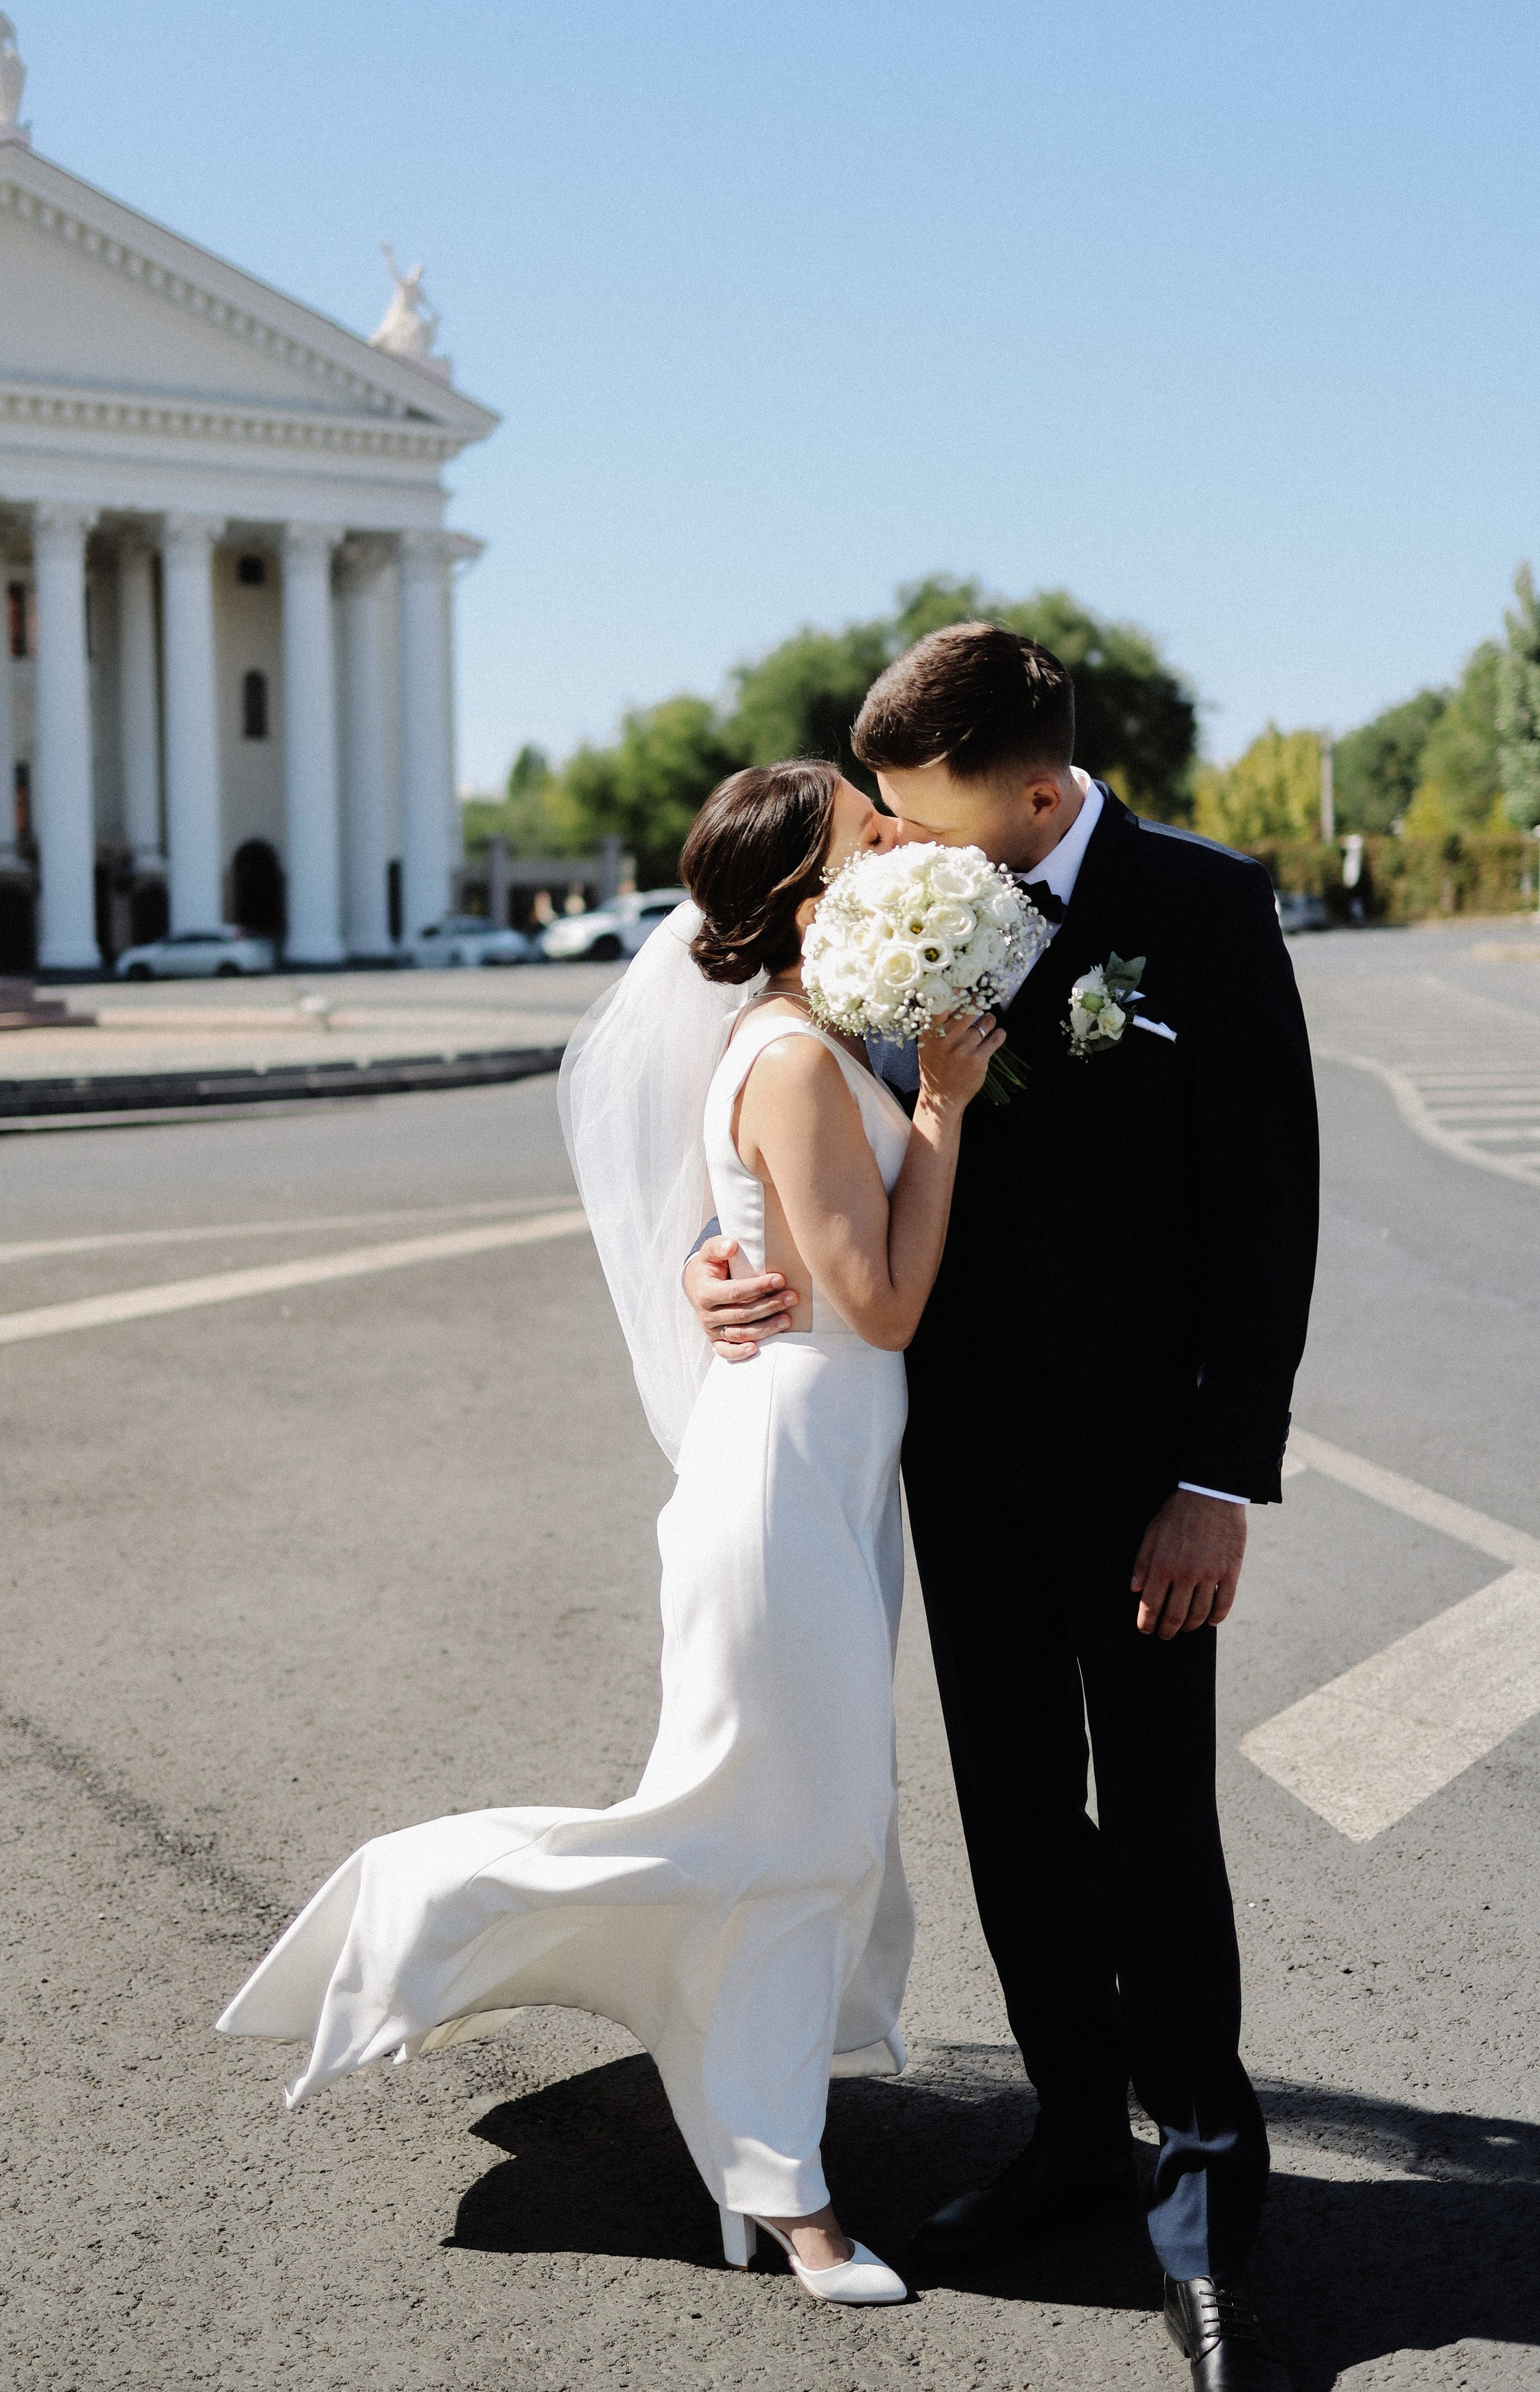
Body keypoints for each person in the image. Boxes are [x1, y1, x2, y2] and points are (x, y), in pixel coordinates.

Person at [217, 758, 1005, 2307]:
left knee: (786, 1822)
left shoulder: (807, 1035)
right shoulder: (787, 1058)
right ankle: (781, 2193)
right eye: (870, 834)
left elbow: (795, 1244)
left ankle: (747, 2136)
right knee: (798, 1830)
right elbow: (886, 1303)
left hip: (822, 1475)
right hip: (779, 1482)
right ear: (802, 895)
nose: (899, 844)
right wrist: (941, 1109)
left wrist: (866, 1127)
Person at [686, 626, 1319, 2390]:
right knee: (1014, 1827)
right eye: (876, 818)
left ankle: (1201, 2199)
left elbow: (1265, 1223)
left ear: (1031, 791)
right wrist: (709, 1262)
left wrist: (1212, 1483)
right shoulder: (882, 908)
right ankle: (1066, 2137)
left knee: (1160, 1842)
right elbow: (792, 1110)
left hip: (1140, 1492)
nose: (896, 851)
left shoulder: (1203, 907)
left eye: (918, 817)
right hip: (947, 1462)